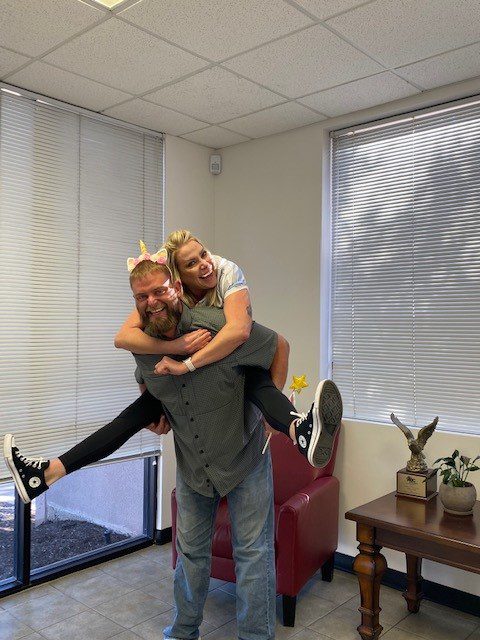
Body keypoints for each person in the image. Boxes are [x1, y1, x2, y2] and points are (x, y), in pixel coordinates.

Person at [4, 257, 341, 640]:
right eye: (141, 296)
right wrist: (156, 410)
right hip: (195, 465)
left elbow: (278, 344)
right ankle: (182, 631)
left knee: (254, 554)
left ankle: (297, 427)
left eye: (159, 291)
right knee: (190, 553)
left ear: (177, 288)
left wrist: (270, 409)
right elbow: (142, 376)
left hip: (243, 458)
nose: (151, 302)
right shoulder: (143, 345)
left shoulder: (217, 325)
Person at [115, 231, 341, 467]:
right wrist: (175, 347)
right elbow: (122, 338)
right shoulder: (166, 296)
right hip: (203, 400)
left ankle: (300, 431)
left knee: (254, 377)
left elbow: (243, 333)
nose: (205, 264)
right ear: (178, 280)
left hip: (238, 364)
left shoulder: (226, 271)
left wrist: (271, 415)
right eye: (192, 263)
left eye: (204, 254)